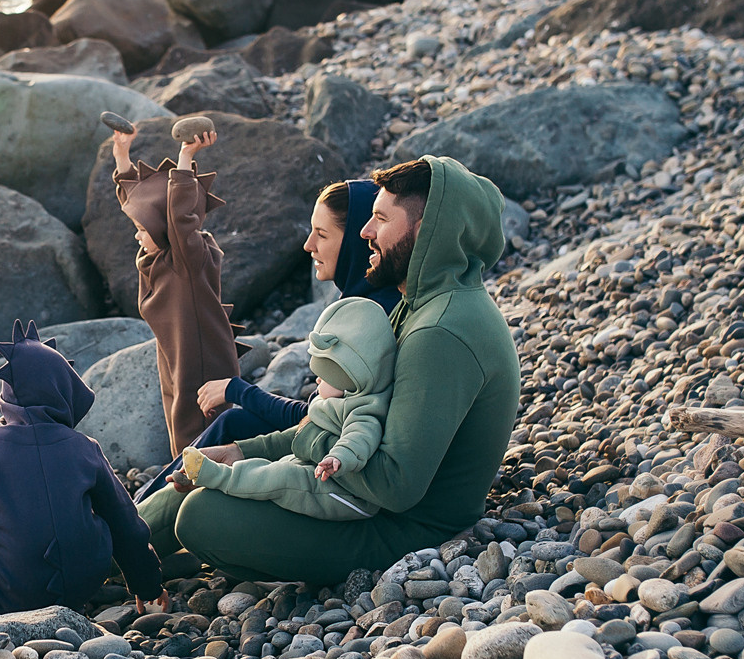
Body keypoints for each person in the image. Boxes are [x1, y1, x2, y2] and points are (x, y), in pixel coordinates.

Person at [139, 156, 521, 586]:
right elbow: (348, 419)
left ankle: (96, 558)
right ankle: (108, 546)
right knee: (202, 474)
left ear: (427, 229)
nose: (365, 232)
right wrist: (247, 453)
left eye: (381, 219)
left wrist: (285, 458)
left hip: (404, 530)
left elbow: (395, 484)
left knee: (202, 515)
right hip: (357, 496)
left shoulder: (441, 331)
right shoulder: (423, 304)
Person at [136, 178, 402, 499]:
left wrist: (237, 389)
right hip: (328, 447)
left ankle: (138, 515)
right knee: (232, 422)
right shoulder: (372, 301)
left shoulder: (369, 319)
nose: (308, 245)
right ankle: (139, 510)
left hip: (332, 463)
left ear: (356, 243)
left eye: (322, 234)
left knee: (231, 425)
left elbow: (311, 420)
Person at [0, 321, 165, 615]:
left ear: (6, 397)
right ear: (62, 389)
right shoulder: (86, 447)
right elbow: (126, 524)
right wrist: (148, 586)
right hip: (85, 583)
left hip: (12, 592)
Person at [178, 296, 395, 516]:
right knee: (270, 464)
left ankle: (219, 477)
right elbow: (307, 418)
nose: (316, 380)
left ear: (352, 376)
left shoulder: (361, 407)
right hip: (316, 470)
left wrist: (339, 456)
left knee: (279, 476)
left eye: (324, 375)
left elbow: (359, 435)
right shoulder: (339, 392)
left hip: (342, 493)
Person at [111, 118, 241, 458]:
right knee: (175, 412)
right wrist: (122, 156)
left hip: (202, 356)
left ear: (163, 227)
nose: (137, 235)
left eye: (142, 229)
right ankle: (184, 473)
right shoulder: (156, 256)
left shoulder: (188, 259)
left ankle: (204, 479)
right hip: (174, 351)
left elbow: (180, 216)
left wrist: (185, 157)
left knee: (197, 420)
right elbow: (140, 202)